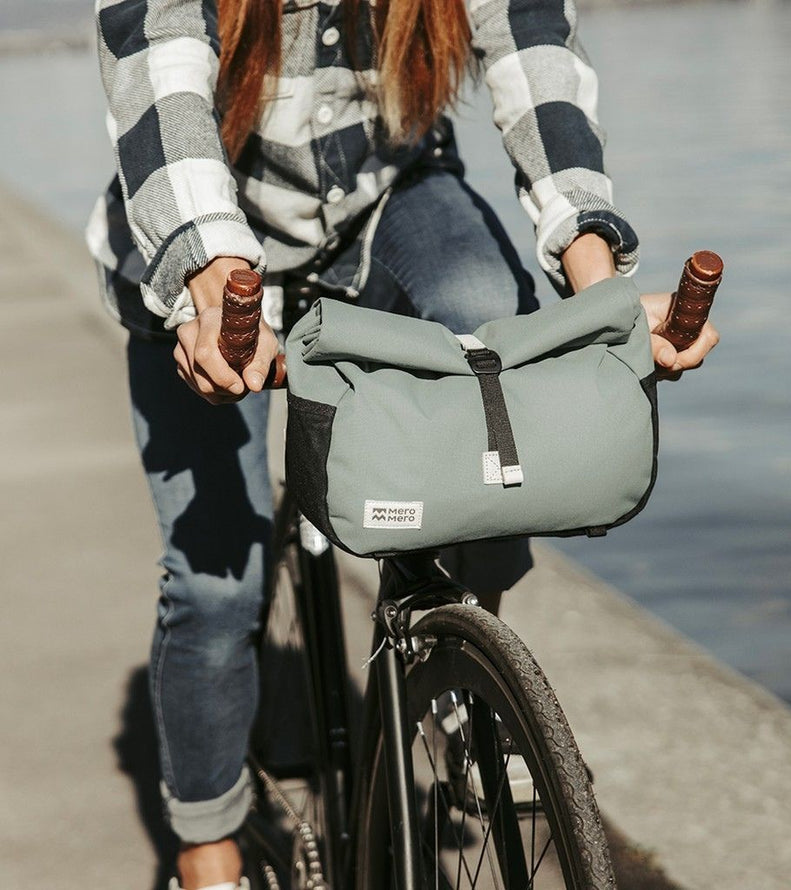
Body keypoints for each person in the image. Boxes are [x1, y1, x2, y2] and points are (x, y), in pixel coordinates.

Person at [87, 0, 718, 887]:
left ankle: (463, 667)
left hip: (386, 202)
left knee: (490, 329)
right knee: (214, 585)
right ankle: (209, 851)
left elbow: (533, 47)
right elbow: (157, 70)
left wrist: (597, 290)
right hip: (206, 229)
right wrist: (214, 273)